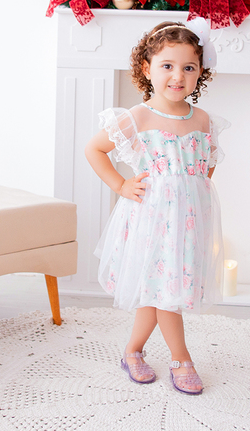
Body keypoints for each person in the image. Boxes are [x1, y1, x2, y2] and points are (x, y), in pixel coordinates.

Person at [83, 20, 228, 395]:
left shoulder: (202, 119)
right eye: (167, 66)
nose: (178, 76)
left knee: (157, 289)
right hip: (153, 219)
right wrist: (121, 184)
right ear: (147, 69)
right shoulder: (138, 117)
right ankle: (182, 358)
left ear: (200, 72)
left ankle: (132, 351)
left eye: (188, 67)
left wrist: (190, 191)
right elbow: (94, 149)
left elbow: (207, 163)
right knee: (168, 292)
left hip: (187, 221)